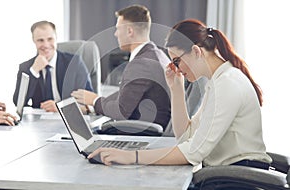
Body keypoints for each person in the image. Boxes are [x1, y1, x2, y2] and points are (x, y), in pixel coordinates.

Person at [86, 19, 272, 169]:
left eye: (176, 61)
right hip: (228, 171)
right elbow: (186, 137)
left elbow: (194, 152)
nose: (175, 68)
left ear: (196, 51)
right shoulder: (217, 82)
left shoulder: (227, 85)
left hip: (236, 177)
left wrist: (132, 157)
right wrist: (176, 89)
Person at [71, 5, 171, 129]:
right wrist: (91, 107)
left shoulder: (141, 63)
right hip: (149, 127)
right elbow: (126, 95)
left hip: (144, 133)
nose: (115, 34)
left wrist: (95, 100)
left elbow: (121, 112)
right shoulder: (156, 54)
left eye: (118, 28)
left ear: (130, 31)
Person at [13, 20, 93, 112]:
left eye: (50, 39)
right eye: (40, 40)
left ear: (56, 38)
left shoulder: (74, 62)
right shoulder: (26, 67)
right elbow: (18, 103)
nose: (46, 45)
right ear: (34, 41)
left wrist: (60, 108)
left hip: (68, 118)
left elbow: (89, 102)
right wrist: (34, 71)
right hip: (39, 122)